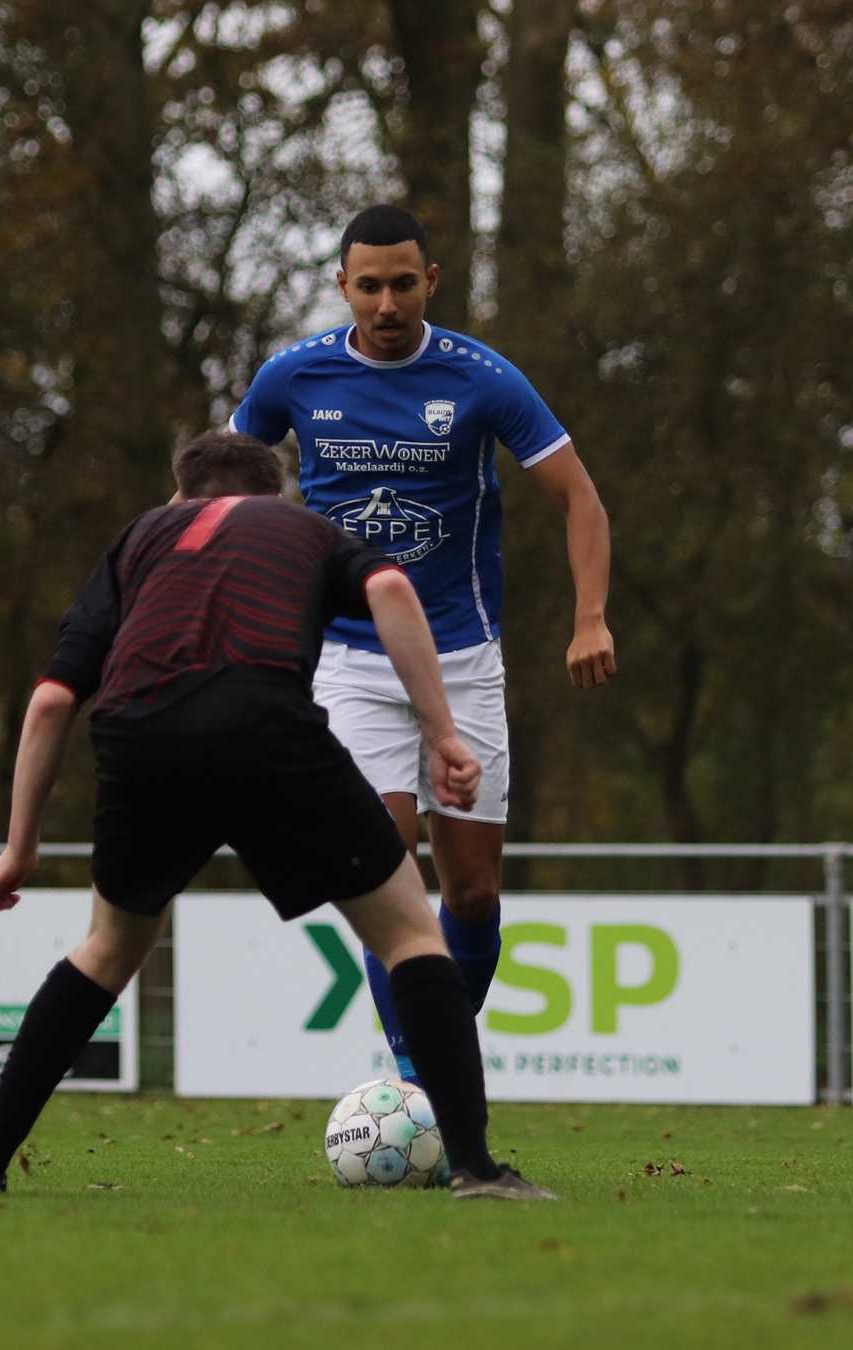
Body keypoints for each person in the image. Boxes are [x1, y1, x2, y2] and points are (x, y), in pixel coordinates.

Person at [0, 431, 556, 1201]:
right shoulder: (306, 527)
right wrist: (443, 734)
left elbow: (53, 699)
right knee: (410, 935)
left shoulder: (139, 541)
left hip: (140, 736)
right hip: (266, 725)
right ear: (275, 489)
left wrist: (18, 847)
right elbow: (393, 592)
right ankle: (477, 1171)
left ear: (181, 492)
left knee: (105, 950)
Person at [229, 205, 615, 1083]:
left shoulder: (482, 377)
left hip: (463, 660)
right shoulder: (293, 375)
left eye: (403, 284)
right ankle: (420, 1079)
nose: (387, 303)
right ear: (342, 286)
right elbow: (215, 490)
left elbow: (580, 497)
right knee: (384, 875)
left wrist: (590, 617)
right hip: (348, 660)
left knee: (471, 892)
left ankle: (430, 1060)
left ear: (430, 281)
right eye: (369, 286)